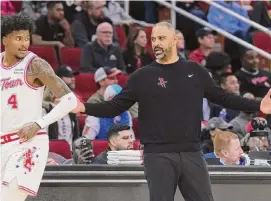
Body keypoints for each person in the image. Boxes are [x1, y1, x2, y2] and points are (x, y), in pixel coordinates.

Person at [73, 21, 271, 201]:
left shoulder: (195, 71)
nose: (156, 43)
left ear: (174, 40)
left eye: (161, 38)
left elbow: (223, 97)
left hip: (192, 151)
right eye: (153, 39)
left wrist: (258, 105)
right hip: (158, 154)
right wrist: (83, 107)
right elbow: (114, 106)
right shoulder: (142, 76)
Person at [1, 13, 78, 201]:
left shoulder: (35, 65)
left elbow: (70, 100)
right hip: (4, 143)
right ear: (5, 40)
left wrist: (39, 123)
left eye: (27, 38)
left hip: (29, 142)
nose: (24, 44)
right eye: (18, 38)